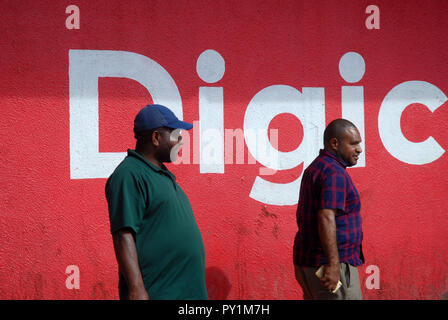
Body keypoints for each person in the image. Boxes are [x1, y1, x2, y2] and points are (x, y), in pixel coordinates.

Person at [105, 104, 208, 300]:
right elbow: (123, 234)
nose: (180, 141)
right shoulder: (129, 174)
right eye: (176, 135)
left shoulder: (160, 175)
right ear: (156, 138)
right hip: (159, 293)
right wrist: (136, 289)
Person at [293, 119, 364, 300]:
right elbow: (326, 217)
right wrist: (333, 265)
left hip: (309, 263)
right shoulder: (334, 173)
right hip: (331, 266)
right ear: (334, 143)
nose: (359, 149)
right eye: (353, 143)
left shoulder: (315, 168)